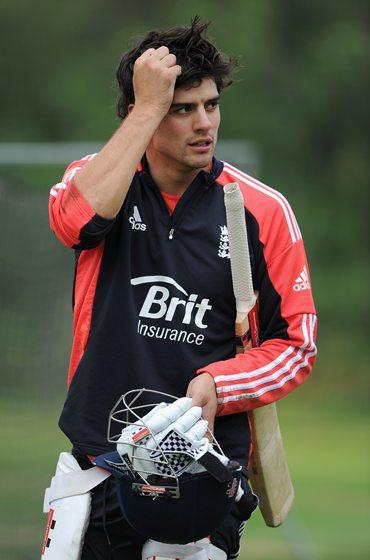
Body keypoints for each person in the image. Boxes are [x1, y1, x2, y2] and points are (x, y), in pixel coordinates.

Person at [47, 17, 317, 560]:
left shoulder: (262, 209)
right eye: (180, 108)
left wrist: (219, 383)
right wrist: (147, 106)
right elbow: (76, 222)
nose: (203, 124)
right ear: (139, 114)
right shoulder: (99, 180)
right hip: (97, 466)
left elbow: (296, 345)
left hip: (203, 475)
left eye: (210, 105)